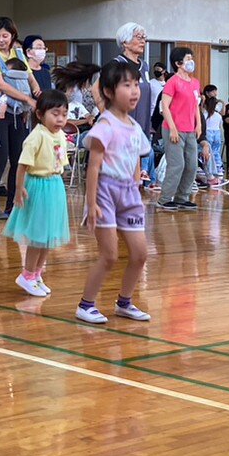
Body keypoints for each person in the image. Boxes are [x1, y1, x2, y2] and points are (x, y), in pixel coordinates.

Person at [63, 60, 152, 325]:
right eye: (127, 85)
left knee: (140, 254)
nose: (134, 90)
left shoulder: (135, 128)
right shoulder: (106, 124)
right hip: (105, 191)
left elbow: (136, 161)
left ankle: (124, 302)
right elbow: (94, 166)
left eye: (136, 84)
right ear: (110, 92)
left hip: (129, 194)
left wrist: (137, 193)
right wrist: (91, 204)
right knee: (110, 255)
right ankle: (86, 305)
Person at [7, 89, 71, 298]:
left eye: (64, 113)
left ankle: (36, 273)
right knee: (38, 236)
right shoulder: (36, 136)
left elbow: (59, 161)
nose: (60, 118)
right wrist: (18, 189)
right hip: (38, 186)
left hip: (54, 185)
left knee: (49, 235)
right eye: (55, 113)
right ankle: (26, 274)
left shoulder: (60, 134)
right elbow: (22, 166)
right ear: (40, 114)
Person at [0, 17, 38, 220]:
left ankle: (13, 206)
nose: (1, 39)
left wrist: (37, 91)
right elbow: (1, 84)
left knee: (18, 158)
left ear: (13, 36)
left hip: (18, 111)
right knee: (0, 157)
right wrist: (28, 99)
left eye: (5, 35)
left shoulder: (18, 52)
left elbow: (30, 76)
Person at [158, 45, 206, 212]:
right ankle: (165, 199)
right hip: (174, 129)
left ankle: (182, 197)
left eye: (191, 58)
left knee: (191, 165)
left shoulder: (195, 83)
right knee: (176, 165)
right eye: (188, 59)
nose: (191, 62)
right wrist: (172, 128)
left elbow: (195, 106)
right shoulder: (172, 82)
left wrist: (198, 124)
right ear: (178, 63)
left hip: (190, 130)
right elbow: (165, 106)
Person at [112, 22, 153, 186]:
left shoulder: (145, 66)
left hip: (140, 121)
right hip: (122, 124)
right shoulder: (116, 64)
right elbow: (97, 90)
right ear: (125, 42)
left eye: (144, 38)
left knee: (136, 165)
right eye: (138, 37)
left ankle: (132, 204)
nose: (143, 41)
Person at [203, 91, 226, 189]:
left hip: (208, 132)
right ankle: (219, 168)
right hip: (217, 133)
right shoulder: (218, 115)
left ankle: (207, 169)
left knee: (208, 152)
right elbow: (221, 125)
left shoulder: (205, 114)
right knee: (216, 152)